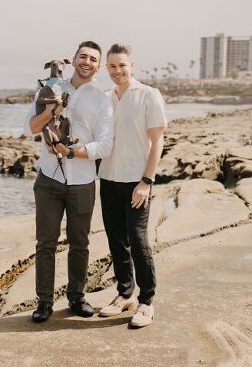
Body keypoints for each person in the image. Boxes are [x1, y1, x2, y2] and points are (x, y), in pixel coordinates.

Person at [25, 40, 114, 323]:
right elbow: (31, 127)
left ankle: (76, 297)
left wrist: (72, 152)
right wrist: (52, 110)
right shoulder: (48, 89)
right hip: (48, 179)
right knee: (45, 243)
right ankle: (44, 302)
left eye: (93, 59)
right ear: (72, 60)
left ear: (98, 67)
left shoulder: (101, 100)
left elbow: (105, 145)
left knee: (80, 243)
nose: (87, 62)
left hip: (83, 181)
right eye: (83, 56)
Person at [97, 42, 166, 328]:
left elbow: (158, 142)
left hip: (137, 182)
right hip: (108, 178)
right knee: (116, 240)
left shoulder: (148, 95)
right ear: (106, 68)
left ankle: (146, 302)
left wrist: (146, 181)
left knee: (137, 240)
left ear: (132, 65)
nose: (117, 71)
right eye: (112, 66)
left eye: (122, 65)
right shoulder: (105, 99)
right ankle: (125, 294)